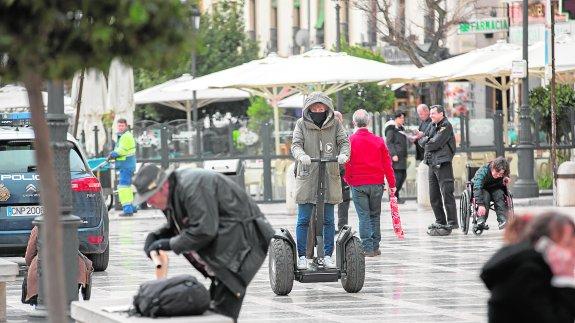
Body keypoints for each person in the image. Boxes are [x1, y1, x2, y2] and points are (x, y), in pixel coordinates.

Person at [134, 164, 275, 321]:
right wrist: (156, 236)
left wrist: (167, 244)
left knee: (223, 307)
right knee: (215, 306)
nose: (150, 203)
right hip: (228, 242)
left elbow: (204, 230)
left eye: (150, 197)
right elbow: (178, 224)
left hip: (245, 243)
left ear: (163, 186)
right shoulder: (174, 191)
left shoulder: (192, 187)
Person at [481, 212, 575, 323]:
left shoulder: (535, 267)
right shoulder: (525, 273)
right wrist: (565, 278)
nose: (572, 252)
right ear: (544, 245)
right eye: (567, 244)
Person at [291, 92, 350, 269]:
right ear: (309, 109)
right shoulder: (301, 124)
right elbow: (296, 144)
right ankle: (302, 256)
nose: (318, 110)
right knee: (303, 219)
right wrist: (301, 156)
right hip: (308, 174)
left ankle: (327, 255)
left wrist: (343, 154)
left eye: (321, 107)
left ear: (327, 108)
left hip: (329, 173)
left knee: (328, 220)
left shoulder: (335, 124)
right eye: (315, 108)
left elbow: (344, 141)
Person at [344, 109, 396, 257]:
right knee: (375, 215)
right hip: (376, 183)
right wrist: (392, 184)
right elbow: (387, 165)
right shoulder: (379, 140)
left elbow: (346, 163)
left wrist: (348, 179)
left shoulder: (350, 141)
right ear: (368, 122)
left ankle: (367, 247)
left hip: (358, 183)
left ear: (354, 122)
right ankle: (375, 245)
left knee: (363, 216)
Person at [22, 226, 93, 305]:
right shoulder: (69, 224)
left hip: (46, 270)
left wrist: (32, 264)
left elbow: (29, 256)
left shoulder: (39, 227)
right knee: (69, 302)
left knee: (43, 301)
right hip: (74, 269)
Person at [418, 105, 458, 236]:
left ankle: (452, 222)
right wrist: (425, 140)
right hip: (431, 163)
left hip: (443, 163)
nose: (431, 116)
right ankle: (440, 220)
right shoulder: (432, 125)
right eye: (430, 114)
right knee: (433, 196)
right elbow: (422, 140)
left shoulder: (446, 126)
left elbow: (433, 143)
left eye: (434, 113)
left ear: (441, 113)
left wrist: (425, 140)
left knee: (447, 193)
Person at [472, 157, 512, 231]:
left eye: (501, 174)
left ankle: (502, 219)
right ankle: (481, 219)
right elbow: (477, 187)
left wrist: (506, 178)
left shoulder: (502, 174)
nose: (498, 175)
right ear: (493, 167)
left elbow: (505, 176)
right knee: (485, 195)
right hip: (482, 189)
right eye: (497, 172)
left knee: (499, 194)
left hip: (495, 189)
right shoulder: (482, 171)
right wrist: (480, 205)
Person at [107, 118, 137, 216]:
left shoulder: (125, 137)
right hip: (128, 165)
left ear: (126, 126)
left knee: (123, 187)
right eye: (119, 126)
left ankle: (127, 210)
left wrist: (112, 154)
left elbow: (121, 151)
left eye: (122, 126)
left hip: (126, 165)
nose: (120, 127)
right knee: (127, 187)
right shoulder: (125, 136)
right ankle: (132, 207)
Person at [385, 111, 408, 203]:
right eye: (401, 118)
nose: (403, 120)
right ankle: (393, 197)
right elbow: (389, 142)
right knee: (398, 177)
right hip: (396, 157)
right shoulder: (391, 129)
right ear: (397, 118)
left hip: (402, 157)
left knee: (403, 176)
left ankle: (396, 196)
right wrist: (393, 154)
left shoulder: (401, 129)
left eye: (403, 118)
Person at [333, 111, 351, 232]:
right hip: (339, 171)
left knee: (341, 201)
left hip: (339, 171)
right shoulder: (345, 135)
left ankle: (339, 227)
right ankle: (342, 227)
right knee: (343, 201)